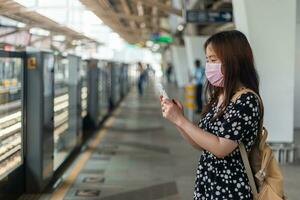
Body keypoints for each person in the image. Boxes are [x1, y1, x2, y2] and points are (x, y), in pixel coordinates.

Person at [159, 30, 262, 200]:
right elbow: (201, 144)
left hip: (231, 190)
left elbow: (221, 148)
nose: (209, 66)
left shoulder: (246, 100)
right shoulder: (218, 97)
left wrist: (181, 120)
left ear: (234, 61)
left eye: (213, 60)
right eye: (207, 60)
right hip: (209, 184)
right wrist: (177, 119)